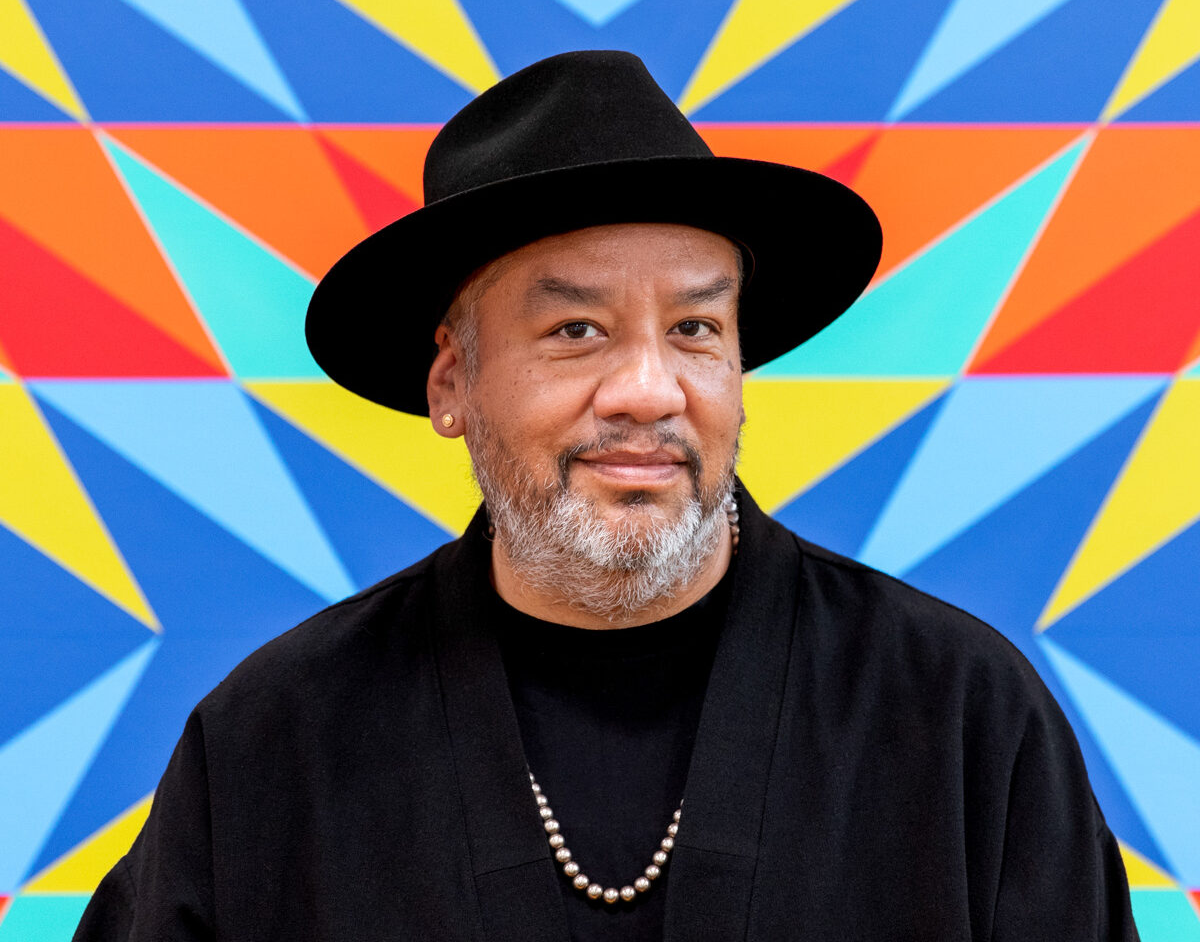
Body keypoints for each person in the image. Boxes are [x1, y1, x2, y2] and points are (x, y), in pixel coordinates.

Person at [74, 50, 1139, 942]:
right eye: (576, 330)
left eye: (695, 329)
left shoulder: (959, 716)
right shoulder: (277, 741)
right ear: (452, 383)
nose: (648, 391)